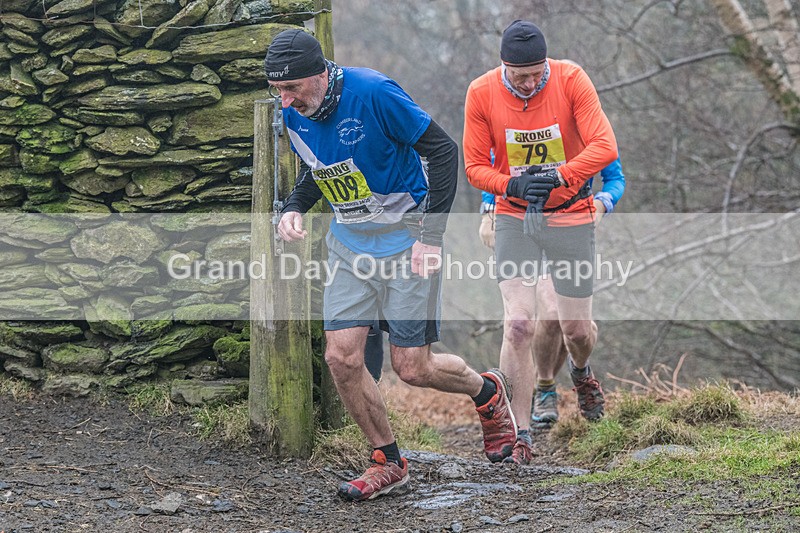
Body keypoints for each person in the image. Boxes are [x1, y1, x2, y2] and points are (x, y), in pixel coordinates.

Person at [265, 29, 517, 501]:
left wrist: (431, 237)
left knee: (413, 367)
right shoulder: (294, 112)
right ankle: (388, 460)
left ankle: (485, 392)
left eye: (292, 88)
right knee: (341, 358)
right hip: (349, 246)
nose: (284, 100)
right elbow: (317, 170)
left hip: (407, 240)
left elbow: (443, 152)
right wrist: (294, 207)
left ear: (320, 74)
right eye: (277, 90)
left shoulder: (374, 92)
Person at [463, 20, 619, 465]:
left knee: (575, 330)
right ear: (503, 67)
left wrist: (560, 175)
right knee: (519, 324)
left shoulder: (571, 79)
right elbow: (474, 166)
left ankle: (582, 371)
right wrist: (510, 187)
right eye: (520, 76)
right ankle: (519, 432)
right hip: (516, 217)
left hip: (572, 213)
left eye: (536, 74)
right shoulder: (481, 92)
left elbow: (604, 146)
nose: (530, 84)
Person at [480, 156, 626, 430]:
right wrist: (488, 209)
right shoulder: (520, 118)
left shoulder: (585, 121)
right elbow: (492, 160)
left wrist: (602, 203)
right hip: (522, 224)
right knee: (547, 313)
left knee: (578, 331)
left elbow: (615, 178)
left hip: (571, 225)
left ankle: (581, 371)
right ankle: (545, 388)